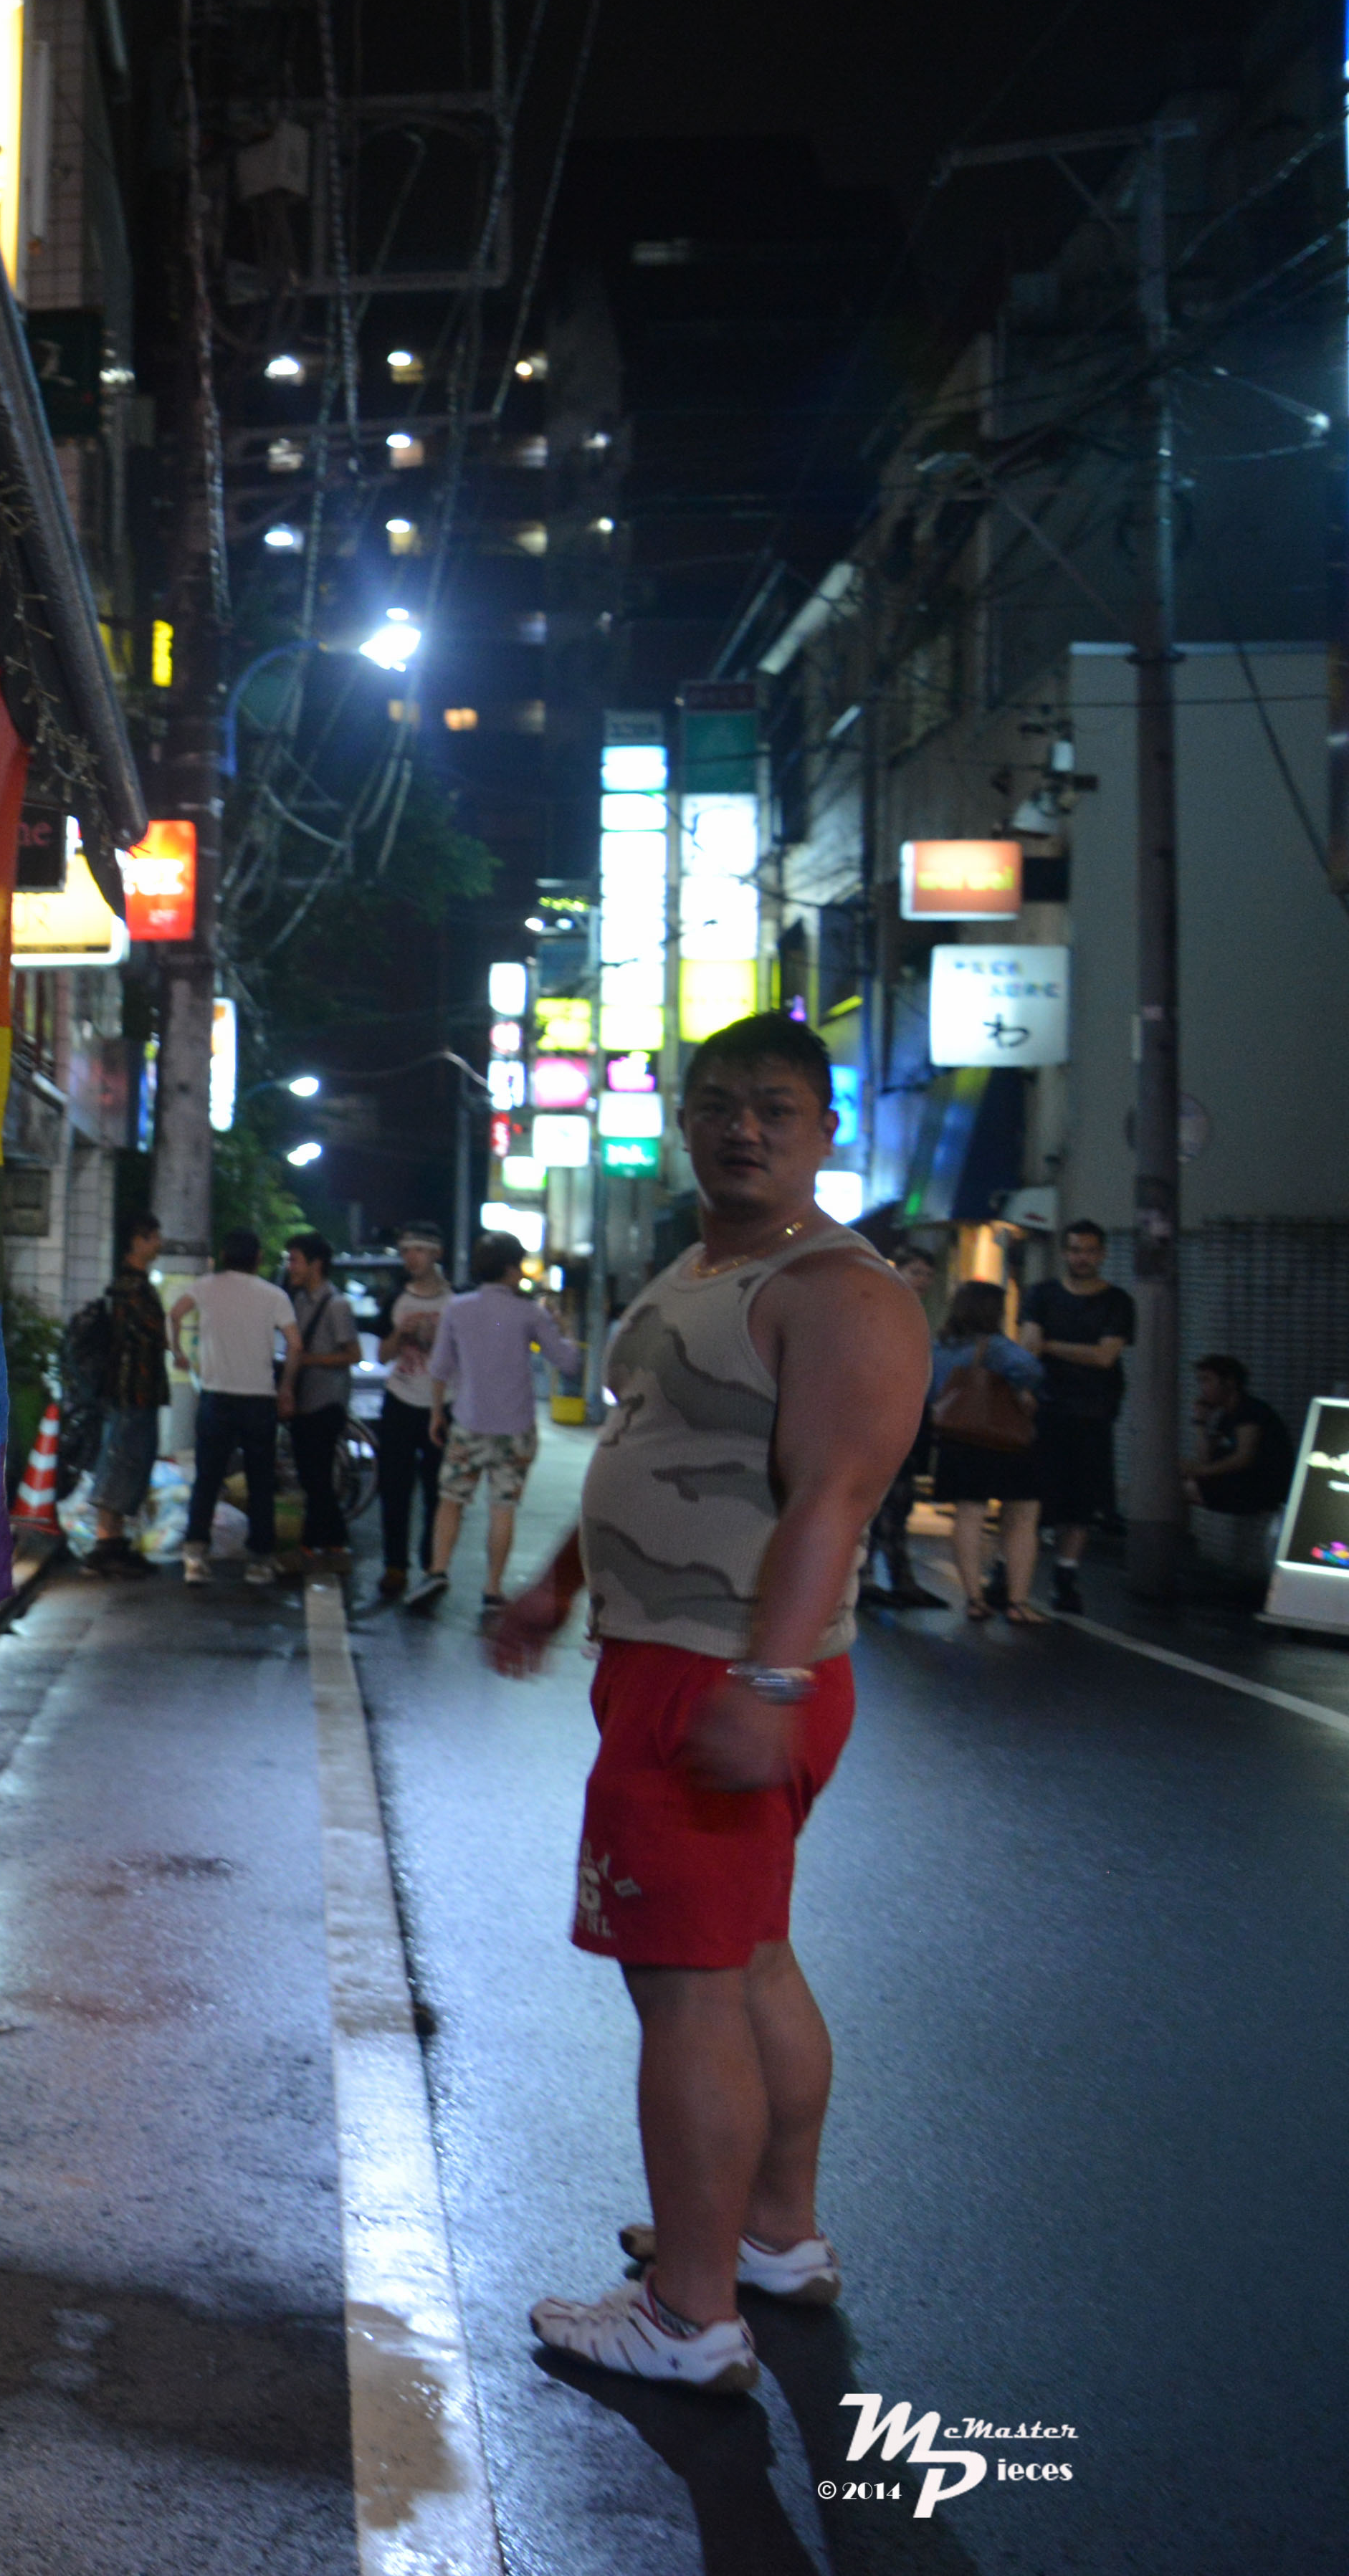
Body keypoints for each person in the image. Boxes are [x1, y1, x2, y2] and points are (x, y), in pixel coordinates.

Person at [487, 1013, 921, 2393]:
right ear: (682, 1117)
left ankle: (686, 2313)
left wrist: (768, 1679)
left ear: (824, 1130)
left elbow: (832, 1500)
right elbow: (650, 1442)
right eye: (720, 1102)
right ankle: (771, 2239)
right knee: (748, 1959)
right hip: (673, 1660)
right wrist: (557, 1584)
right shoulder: (696, 1269)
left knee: (682, 1988)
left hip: (721, 1673)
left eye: (775, 1109)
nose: (743, 1128)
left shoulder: (840, 1292)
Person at [416, 1234, 566, 1611]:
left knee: (451, 1501)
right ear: (511, 1268)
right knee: (503, 1508)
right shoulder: (531, 1313)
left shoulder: (457, 1308)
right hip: (516, 1430)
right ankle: (492, 1590)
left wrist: (436, 1414)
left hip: (469, 1423)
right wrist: (561, 1327)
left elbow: (440, 1367)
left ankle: (438, 1570)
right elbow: (567, 1362)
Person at [1024, 1217, 1135, 1613]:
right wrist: (1066, 1349)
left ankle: (1066, 1576)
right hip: (1045, 1409)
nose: (1081, 1258)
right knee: (1033, 1498)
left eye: (1089, 1251)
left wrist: (1051, 1345)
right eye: (1074, 1250)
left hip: (1093, 1412)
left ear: (1102, 1255)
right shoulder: (1041, 1294)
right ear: (1064, 1253)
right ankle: (1008, 1571)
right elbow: (1029, 1345)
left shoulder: (1117, 1301)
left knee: (1081, 1505)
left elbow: (1106, 1356)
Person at [171, 1231, 290, 1588]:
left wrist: (178, 1353)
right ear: (258, 1258)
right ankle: (260, 1561)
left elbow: (174, 1314)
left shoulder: (206, 1287)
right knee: (260, 1481)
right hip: (259, 1398)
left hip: (216, 1396)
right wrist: (286, 1386)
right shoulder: (274, 1295)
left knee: (208, 1478)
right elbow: (296, 1343)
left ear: (224, 1255)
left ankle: (195, 1555)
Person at [927, 1281, 1044, 1624]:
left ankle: (974, 1600)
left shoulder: (939, 1346)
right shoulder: (995, 1346)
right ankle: (1018, 1603)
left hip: (958, 1439)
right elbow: (1031, 1369)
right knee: (1023, 1514)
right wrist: (1021, 1389)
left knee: (968, 1515)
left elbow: (931, 1391)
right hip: (1003, 1438)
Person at [69, 1218, 174, 1573]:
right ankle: (105, 1544)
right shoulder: (131, 1288)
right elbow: (150, 1334)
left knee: (127, 1462)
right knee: (122, 1462)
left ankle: (113, 1543)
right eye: (153, 1237)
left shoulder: (130, 1285)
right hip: (131, 1390)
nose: (159, 1242)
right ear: (137, 1241)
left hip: (133, 1390)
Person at [859, 1246, 945, 1607]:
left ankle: (896, 1577)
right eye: (916, 1272)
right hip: (878, 1417)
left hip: (905, 1415)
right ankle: (867, 1577)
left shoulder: (911, 1311)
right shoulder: (884, 1308)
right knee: (878, 1500)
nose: (922, 1280)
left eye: (928, 1274)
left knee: (899, 1500)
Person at [278, 1231, 363, 1589]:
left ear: (316, 1264)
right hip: (303, 1399)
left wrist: (311, 1360)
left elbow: (353, 1354)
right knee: (312, 1477)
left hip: (327, 1402)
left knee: (317, 1477)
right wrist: (287, 1389)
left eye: (296, 1260)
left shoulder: (336, 1305)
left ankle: (317, 1546)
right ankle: (330, 1546)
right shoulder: (297, 1301)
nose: (291, 1267)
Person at [1180, 1352, 1295, 1613]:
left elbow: (1244, 1458)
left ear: (1229, 1382)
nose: (1203, 1388)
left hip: (1260, 1487)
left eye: (1207, 1380)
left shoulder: (1250, 1412)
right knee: (1174, 1477)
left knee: (1179, 1488)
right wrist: (1200, 1423)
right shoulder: (1226, 1416)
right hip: (1239, 1483)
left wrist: (1200, 1472)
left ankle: (1178, 1551)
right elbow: (1206, 1456)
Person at [374, 1229, 452, 1601]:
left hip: (444, 1404)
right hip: (400, 1399)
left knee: (438, 1490)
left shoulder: (456, 1300)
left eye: (419, 1250)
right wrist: (398, 1335)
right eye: (406, 1251)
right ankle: (395, 1565)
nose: (411, 1258)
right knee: (394, 1487)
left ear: (437, 1253)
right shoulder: (396, 1298)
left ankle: (431, 1565)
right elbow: (382, 1355)